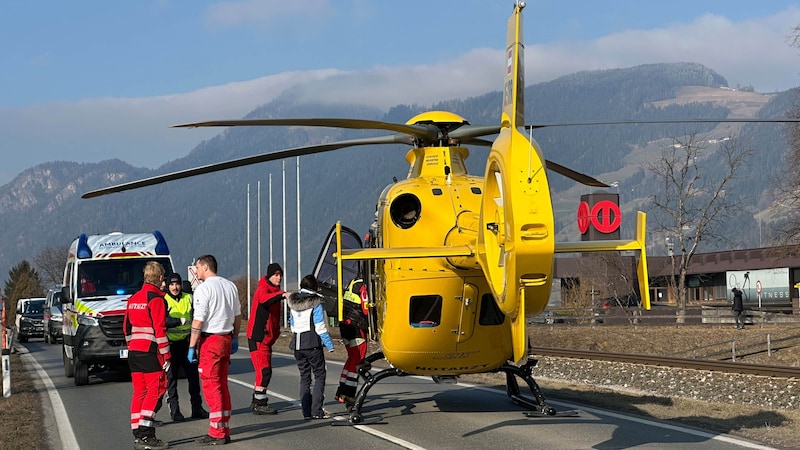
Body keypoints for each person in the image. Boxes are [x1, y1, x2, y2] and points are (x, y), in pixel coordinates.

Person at [188, 255, 241, 445]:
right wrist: (234, 338)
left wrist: (191, 346)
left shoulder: (203, 289)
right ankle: (223, 426)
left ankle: (217, 432)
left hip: (210, 340)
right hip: (226, 338)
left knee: (211, 385)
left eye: (197, 268)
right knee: (222, 384)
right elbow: (237, 316)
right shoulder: (229, 286)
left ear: (204, 267)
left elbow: (198, 320)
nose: (195, 271)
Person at [123, 261, 170, 450]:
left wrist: (131, 344)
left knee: (140, 392)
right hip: (150, 351)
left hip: (134, 351)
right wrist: (166, 356)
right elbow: (160, 330)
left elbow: (126, 326)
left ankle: (136, 432)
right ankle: (146, 434)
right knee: (156, 389)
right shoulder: (155, 298)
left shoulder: (133, 298)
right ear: (160, 278)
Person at [287, 275, 335, 420]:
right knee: (320, 376)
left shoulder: (293, 303)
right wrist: (329, 344)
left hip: (297, 344)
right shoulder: (316, 303)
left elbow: (292, 325)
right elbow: (320, 327)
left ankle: (306, 411)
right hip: (313, 344)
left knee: (305, 378)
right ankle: (317, 410)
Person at [162, 272, 207, 421]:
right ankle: (175, 412)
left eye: (177, 284)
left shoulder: (189, 298)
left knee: (193, 378)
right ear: (167, 286)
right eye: (172, 284)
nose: (175, 287)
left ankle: (197, 409)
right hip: (171, 345)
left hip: (188, 344)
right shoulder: (164, 300)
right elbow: (163, 321)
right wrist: (178, 321)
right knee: (171, 380)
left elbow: (196, 316)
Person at [246, 263, 287, 415]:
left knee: (263, 371)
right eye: (276, 275)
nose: (279, 277)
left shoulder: (275, 291)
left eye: (280, 274)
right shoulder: (263, 289)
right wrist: (281, 295)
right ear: (269, 276)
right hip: (258, 338)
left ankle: (256, 400)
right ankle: (260, 403)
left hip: (267, 339)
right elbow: (264, 299)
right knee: (264, 371)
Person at [334, 277, 370, 407]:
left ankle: (341, 392)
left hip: (346, 325)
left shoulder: (351, 283)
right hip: (356, 326)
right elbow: (366, 308)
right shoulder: (363, 286)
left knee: (351, 359)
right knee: (357, 359)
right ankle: (349, 395)